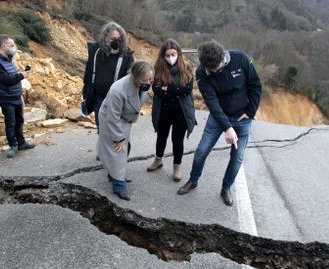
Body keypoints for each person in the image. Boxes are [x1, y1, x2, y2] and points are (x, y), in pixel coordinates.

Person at [177, 40, 262, 206]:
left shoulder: (241, 58)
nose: (216, 72)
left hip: (242, 119)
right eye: (212, 70)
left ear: (223, 57)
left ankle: (226, 188)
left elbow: (255, 86)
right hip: (218, 117)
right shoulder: (202, 73)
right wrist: (227, 127)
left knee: (237, 158)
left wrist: (250, 113)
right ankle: (193, 180)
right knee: (201, 151)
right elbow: (212, 102)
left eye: (219, 67)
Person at [97, 61, 154, 201]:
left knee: (125, 149)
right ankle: (119, 186)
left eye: (150, 79)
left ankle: (114, 174)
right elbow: (112, 117)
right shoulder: (118, 90)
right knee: (117, 151)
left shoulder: (141, 83)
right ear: (135, 77)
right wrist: (119, 138)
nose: (148, 82)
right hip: (111, 119)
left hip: (124, 119)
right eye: (145, 80)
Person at [147, 39, 196, 182]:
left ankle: (177, 167)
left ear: (179, 54)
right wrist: (174, 90)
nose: (170, 58)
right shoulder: (158, 69)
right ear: (163, 56)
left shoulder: (186, 68)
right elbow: (156, 90)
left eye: (173, 54)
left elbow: (186, 90)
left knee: (177, 140)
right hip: (163, 110)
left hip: (181, 112)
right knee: (161, 136)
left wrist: (167, 89)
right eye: (167, 55)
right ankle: (158, 159)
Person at [0, 34, 35, 158]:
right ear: (4, 46)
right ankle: (13, 146)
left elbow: (12, 76)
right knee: (11, 123)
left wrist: (21, 74)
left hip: (16, 95)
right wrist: (22, 75)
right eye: (12, 45)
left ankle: (21, 143)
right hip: (6, 98)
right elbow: (6, 80)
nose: (14, 48)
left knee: (19, 121)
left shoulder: (9, 59)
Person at [81, 22, 134, 129]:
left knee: (117, 132)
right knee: (102, 130)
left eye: (119, 39)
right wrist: (86, 95)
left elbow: (131, 79)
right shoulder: (96, 52)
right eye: (113, 39)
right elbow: (88, 74)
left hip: (117, 101)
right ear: (105, 38)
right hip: (99, 99)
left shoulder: (127, 55)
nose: (116, 42)